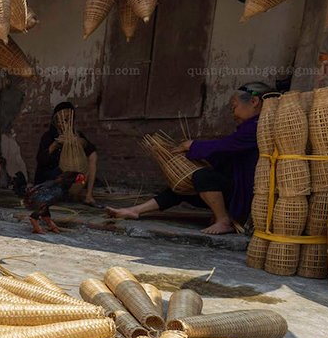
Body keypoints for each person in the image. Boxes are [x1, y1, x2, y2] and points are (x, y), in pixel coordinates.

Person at [106, 82, 271, 234]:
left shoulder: (259, 127)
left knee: (202, 176)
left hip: (246, 194)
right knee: (184, 184)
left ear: (254, 101)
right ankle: (135, 211)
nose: (232, 113)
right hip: (234, 190)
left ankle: (223, 220)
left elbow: (227, 146)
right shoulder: (250, 127)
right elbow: (227, 153)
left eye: (233, 107)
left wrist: (193, 146)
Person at [34, 102, 99, 207]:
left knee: (93, 155)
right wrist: (54, 146)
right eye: (63, 118)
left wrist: (82, 142)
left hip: (75, 177)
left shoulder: (77, 134)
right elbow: (41, 160)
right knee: (63, 176)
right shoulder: (49, 136)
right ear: (56, 120)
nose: (66, 121)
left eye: (69, 118)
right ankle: (63, 194)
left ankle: (88, 196)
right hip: (53, 176)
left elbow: (91, 149)